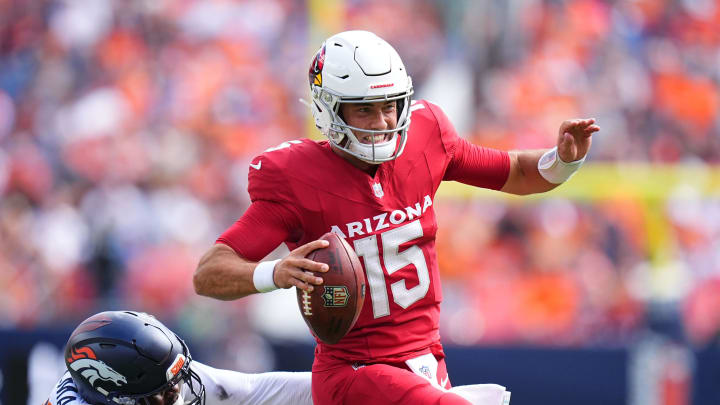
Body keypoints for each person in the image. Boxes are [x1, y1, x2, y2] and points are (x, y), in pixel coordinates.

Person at [193, 30, 599, 405]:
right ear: (328, 108)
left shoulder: (427, 134)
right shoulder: (295, 177)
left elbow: (516, 173)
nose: (384, 122)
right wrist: (275, 273)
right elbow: (210, 273)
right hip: (358, 371)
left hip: (427, 365)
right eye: (365, 110)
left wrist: (563, 160)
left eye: (390, 106)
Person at [45, 310, 313, 405]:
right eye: (160, 394)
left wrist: (348, 385)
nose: (177, 392)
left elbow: (252, 392)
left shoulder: (160, 379)